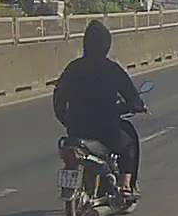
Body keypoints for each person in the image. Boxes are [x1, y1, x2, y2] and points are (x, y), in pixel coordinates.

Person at [52, 20, 145, 199]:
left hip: (77, 130)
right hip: (106, 130)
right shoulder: (112, 69)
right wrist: (136, 105)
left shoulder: (73, 68)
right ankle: (125, 185)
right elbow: (132, 96)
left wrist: (67, 121)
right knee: (129, 142)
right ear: (106, 45)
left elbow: (58, 100)